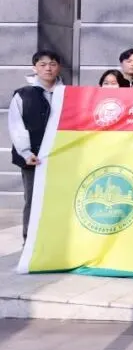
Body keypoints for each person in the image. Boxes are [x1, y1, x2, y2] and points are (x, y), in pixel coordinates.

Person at [8, 51, 62, 243]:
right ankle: (30, 242)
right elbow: (16, 125)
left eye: (53, 64)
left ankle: (56, 241)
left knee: (60, 199)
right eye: (43, 64)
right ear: (34, 68)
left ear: (59, 67)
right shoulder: (23, 94)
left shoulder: (67, 93)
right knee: (33, 200)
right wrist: (26, 152)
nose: (48, 68)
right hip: (33, 158)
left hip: (62, 156)